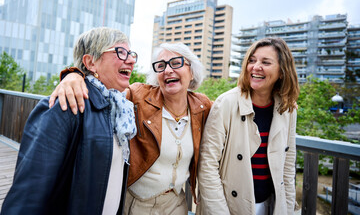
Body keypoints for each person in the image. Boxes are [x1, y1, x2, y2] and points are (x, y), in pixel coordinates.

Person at [48, 42, 212, 214]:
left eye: (176, 63)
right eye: (161, 66)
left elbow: (230, 110)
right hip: (135, 203)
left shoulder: (202, 106)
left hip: (176, 204)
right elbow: (103, 89)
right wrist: (73, 75)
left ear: (192, 71)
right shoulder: (138, 95)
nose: (168, 70)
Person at [1, 27, 138, 214]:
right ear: (90, 62)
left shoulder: (120, 109)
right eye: (120, 52)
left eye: (130, 54)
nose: (130, 60)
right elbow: (28, 193)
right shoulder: (65, 106)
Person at [197, 37, 299, 215]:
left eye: (265, 62)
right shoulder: (226, 103)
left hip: (271, 205)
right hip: (230, 207)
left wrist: (288, 208)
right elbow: (207, 166)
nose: (255, 67)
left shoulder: (288, 109)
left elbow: (288, 165)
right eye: (252, 60)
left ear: (282, 72)